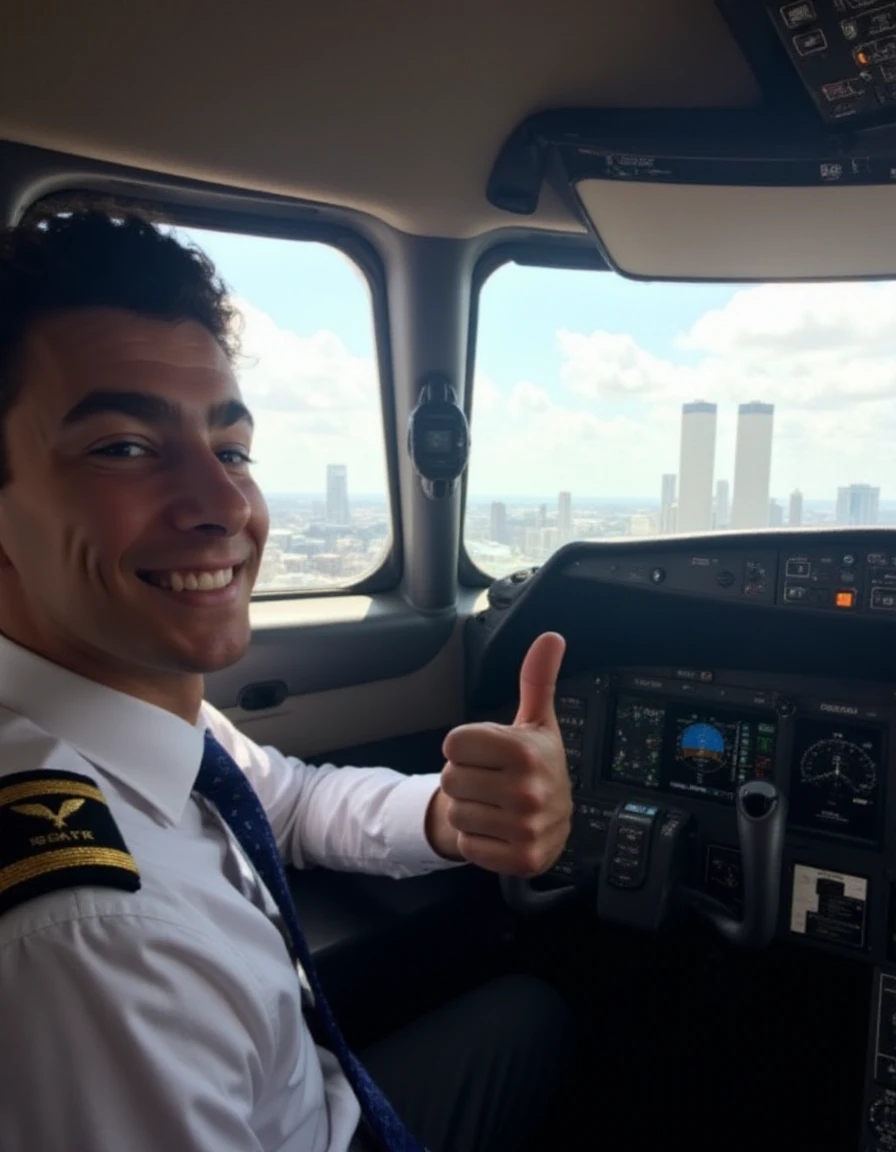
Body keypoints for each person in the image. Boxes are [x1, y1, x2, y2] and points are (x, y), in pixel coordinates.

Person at [0, 210, 575, 1152]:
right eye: (123, 448)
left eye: (231, 450)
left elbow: (291, 802)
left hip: (319, 1106)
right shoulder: (86, 935)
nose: (225, 505)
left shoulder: (123, 716)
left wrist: (454, 815)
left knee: (531, 1016)